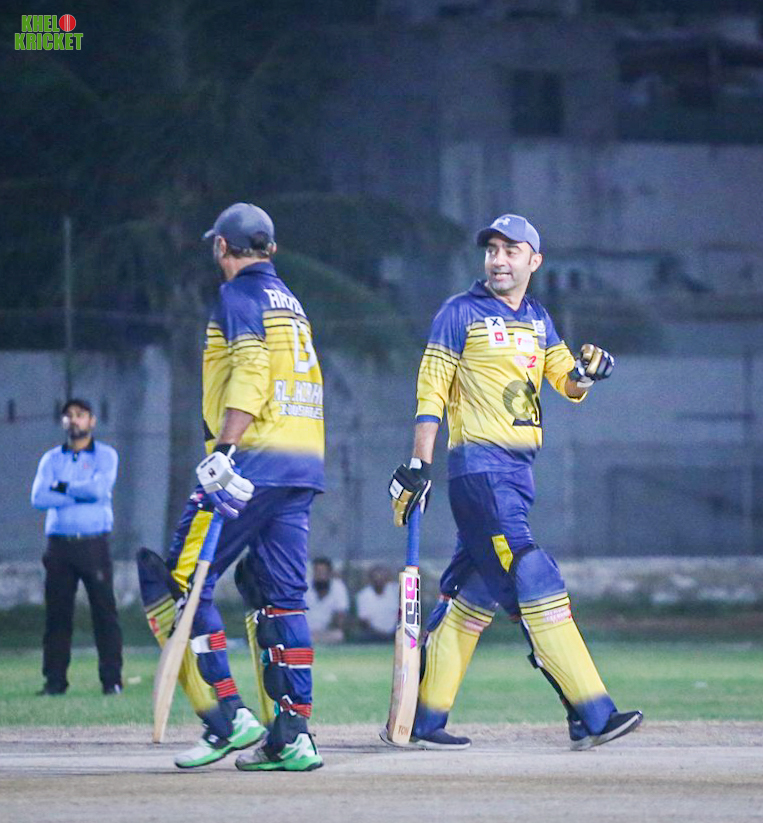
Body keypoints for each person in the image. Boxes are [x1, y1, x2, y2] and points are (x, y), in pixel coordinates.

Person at [387, 213, 643, 751]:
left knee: (475, 593)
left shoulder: (538, 317)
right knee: (533, 573)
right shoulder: (460, 312)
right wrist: (419, 464)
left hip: (517, 474)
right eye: (492, 251)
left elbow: (566, 381)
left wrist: (589, 372)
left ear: (535, 260)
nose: (498, 260)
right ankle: (591, 714)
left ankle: (423, 718)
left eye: (511, 251)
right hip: (481, 473)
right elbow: (431, 391)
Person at [137, 202, 324, 772]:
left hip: (249, 464)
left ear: (222, 247)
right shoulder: (290, 301)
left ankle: (227, 716)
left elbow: (252, 371)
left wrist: (224, 449)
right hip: (299, 466)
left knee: (179, 580)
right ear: (271, 249)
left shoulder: (237, 296)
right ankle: (293, 737)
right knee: (282, 599)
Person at [30, 398, 123, 696]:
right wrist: (79, 493)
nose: (74, 420)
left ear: (91, 420)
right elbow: (38, 498)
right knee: (57, 616)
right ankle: (54, 682)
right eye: (69, 415)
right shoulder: (51, 459)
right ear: (63, 422)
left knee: (104, 613)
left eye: (80, 415)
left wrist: (61, 486)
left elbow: (99, 490)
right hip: (59, 546)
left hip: (93, 544)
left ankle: (111, 681)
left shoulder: (105, 455)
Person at [305, 557, 350, 643]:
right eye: (318, 572)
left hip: (327, 632)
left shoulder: (338, 586)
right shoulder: (303, 586)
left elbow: (341, 613)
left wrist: (334, 625)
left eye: (323, 572)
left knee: (338, 635)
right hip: (306, 631)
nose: (320, 575)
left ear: (329, 572)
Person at [355, 565, 397, 641]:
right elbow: (364, 622)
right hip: (374, 634)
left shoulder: (395, 591)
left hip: (395, 633)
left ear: (386, 579)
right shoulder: (363, 595)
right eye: (376, 577)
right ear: (371, 579)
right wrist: (381, 634)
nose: (379, 580)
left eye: (381, 577)